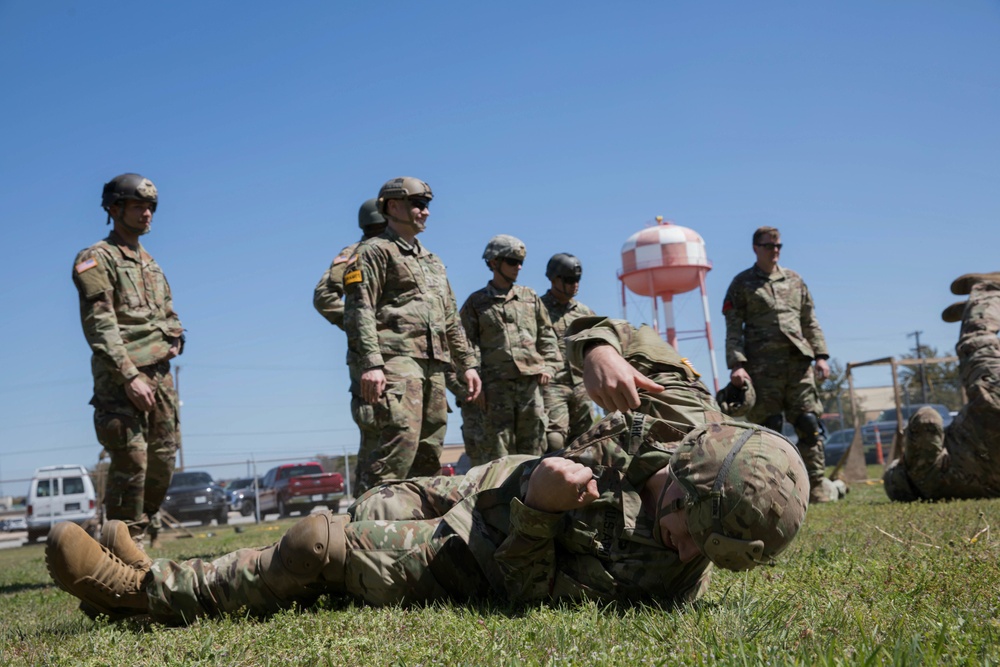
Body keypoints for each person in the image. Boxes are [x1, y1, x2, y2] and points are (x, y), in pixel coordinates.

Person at [45, 318, 810, 623]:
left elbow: (527, 591)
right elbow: (591, 324)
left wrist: (543, 509)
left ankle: (137, 594)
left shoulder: (658, 574)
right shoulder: (681, 408)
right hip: (484, 481)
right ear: (687, 475)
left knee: (317, 543)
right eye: (689, 533)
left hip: (472, 555)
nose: (686, 554)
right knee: (371, 503)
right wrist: (598, 347)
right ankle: (175, 572)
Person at [344, 177, 481, 493]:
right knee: (396, 452)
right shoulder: (374, 252)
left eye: (428, 205)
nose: (426, 212)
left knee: (428, 455)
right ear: (393, 207)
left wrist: (467, 364)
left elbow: (450, 320)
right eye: (418, 204)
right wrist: (371, 364)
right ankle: (366, 529)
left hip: (434, 368)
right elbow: (360, 311)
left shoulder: (433, 261)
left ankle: (416, 531)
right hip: (396, 363)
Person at [71, 173, 185, 548]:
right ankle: (120, 547)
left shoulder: (151, 263)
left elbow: (168, 313)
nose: (147, 214)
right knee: (131, 462)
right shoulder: (96, 259)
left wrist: (176, 337)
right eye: (138, 206)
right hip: (121, 380)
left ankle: (139, 532)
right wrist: (128, 376)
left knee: (164, 460)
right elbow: (99, 325)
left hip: (160, 376)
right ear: (114, 209)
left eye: (150, 207)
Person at [722, 226, 833, 503]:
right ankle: (770, 488)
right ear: (755, 248)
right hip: (762, 371)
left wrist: (821, 355)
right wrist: (737, 364)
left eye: (779, 246)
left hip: (798, 366)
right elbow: (733, 327)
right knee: (769, 429)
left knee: (809, 423)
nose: (775, 251)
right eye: (770, 246)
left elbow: (810, 320)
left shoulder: (795, 280)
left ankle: (816, 486)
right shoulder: (742, 284)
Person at [883, 273, 1000, 501]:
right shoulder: (924, 474)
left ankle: (976, 307)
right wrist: (913, 442)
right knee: (977, 343)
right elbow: (928, 419)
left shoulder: (948, 489)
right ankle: (988, 291)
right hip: (991, 414)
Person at [460, 235, 561, 461]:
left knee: (533, 451)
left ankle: (531, 496)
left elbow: (547, 336)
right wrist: (475, 383)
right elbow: (465, 345)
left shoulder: (529, 297)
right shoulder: (476, 303)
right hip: (495, 389)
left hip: (530, 386)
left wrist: (549, 368)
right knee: (498, 453)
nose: (519, 267)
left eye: (521, 262)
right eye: (512, 261)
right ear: (494, 263)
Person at [313, 199, 388, 493]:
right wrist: (358, 323)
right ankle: (366, 512)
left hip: (405, 357)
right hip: (369, 359)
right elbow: (324, 297)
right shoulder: (354, 253)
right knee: (375, 434)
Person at [540, 253, 597, 452]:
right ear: (554, 279)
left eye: (578, 280)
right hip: (553, 384)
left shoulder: (585, 313)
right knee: (554, 440)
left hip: (582, 384)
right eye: (570, 280)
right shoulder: (538, 309)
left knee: (587, 440)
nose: (575, 285)